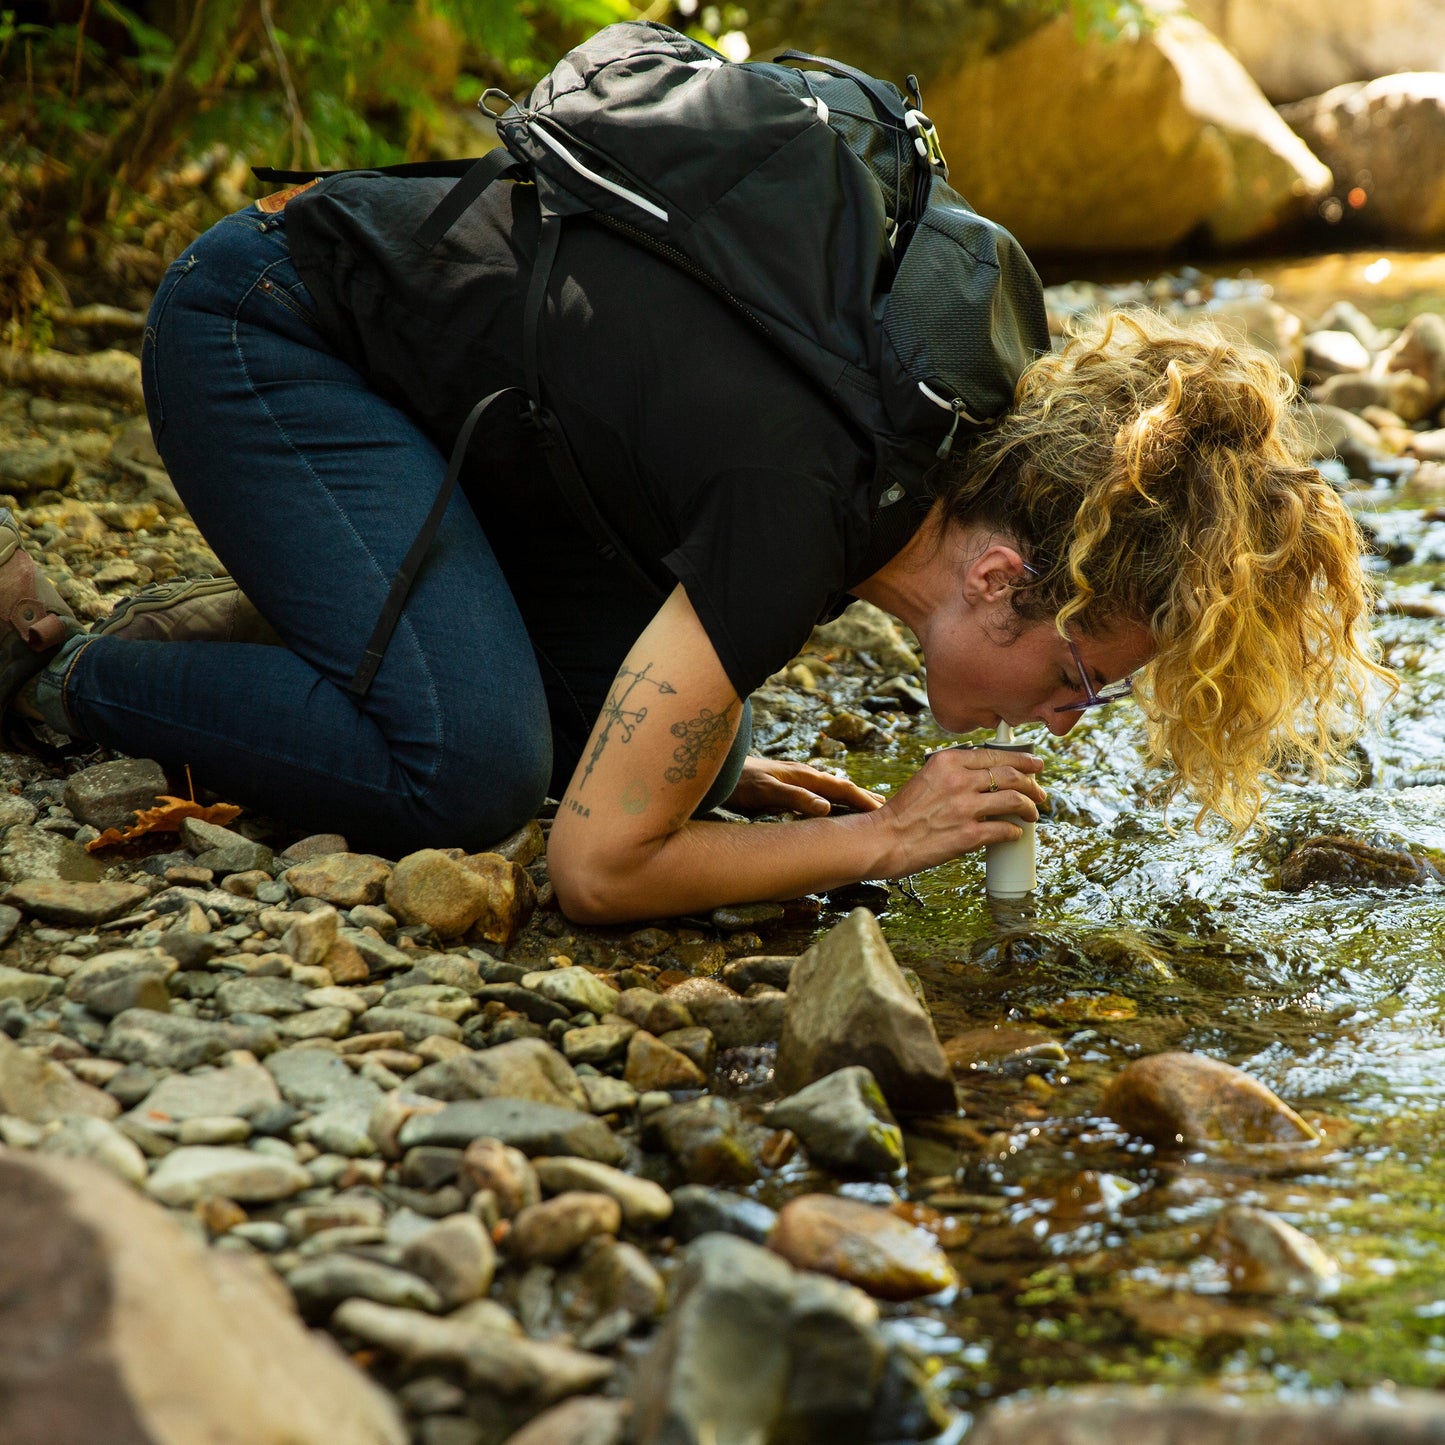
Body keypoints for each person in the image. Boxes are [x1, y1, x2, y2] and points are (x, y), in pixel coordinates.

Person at [1, 174, 1390, 924]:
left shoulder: (911, 455)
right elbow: (596, 874)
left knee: (699, 759)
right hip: (266, 325)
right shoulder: (809, 502)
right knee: (470, 772)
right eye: (1085, 670)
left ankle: (292, 630)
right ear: (996, 580)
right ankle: (66, 676)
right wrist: (887, 839)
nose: (1072, 712)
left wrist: (713, 760)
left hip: (443, 436)